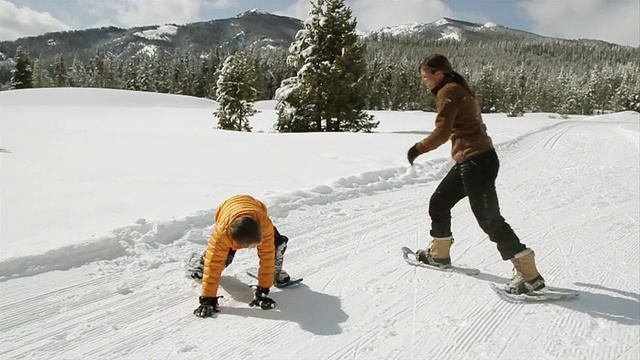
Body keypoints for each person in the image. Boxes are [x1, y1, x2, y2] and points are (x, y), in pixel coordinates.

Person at [407, 54, 545, 295]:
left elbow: (443, 131)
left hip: (477, 162)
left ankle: (529, 274)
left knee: (489, 219)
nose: (424, 81)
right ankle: (439, 255)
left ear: (438, 74)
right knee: (439, 202)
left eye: (425, 76)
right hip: (470, 160)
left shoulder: (448, 91)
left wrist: (418, 148)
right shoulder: (456, 88)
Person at [193, 195, 290, 317]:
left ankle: (274, 272)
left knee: (277, 245)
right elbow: (214, 264)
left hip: (255, 209)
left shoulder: (265, 227)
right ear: (238, 244)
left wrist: (263, 290)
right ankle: (202, 263)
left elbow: (267, 257)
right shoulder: (221, 236)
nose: (258, 247)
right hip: (226, 210)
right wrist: (208, 299)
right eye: (253, 245)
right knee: (219, 259)